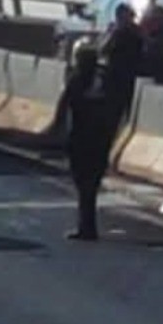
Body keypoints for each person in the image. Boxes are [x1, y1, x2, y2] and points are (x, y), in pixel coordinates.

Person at [51, 37, 115, 241]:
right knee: (92, 182)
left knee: (82, 182)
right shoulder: (106, 78)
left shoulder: (77, 79)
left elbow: (65, 105)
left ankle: (86, 226)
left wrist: (54, 131)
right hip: (102, 137)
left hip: (81, 136)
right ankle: (88, 224)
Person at [99, 2, 143, 125]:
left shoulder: (136, 32)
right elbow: (103, 49)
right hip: (114, 74)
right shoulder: (115, 31)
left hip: (128, 75)